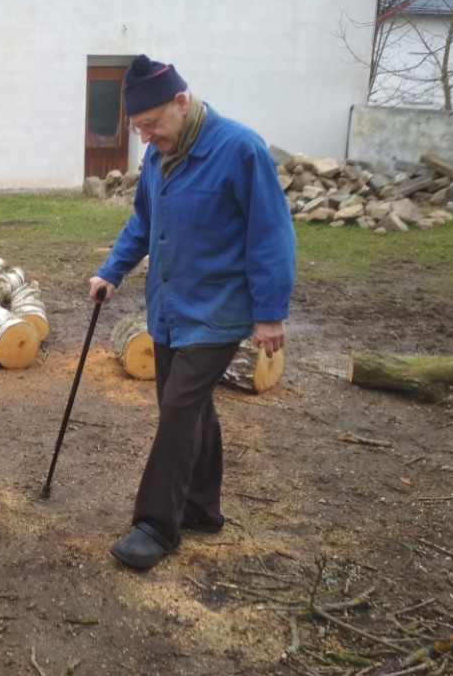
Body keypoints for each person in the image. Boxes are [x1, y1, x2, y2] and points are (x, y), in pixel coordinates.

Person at [89, 54, 296, 570]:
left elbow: (271, 233)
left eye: (152, 125)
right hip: (169, 308)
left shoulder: (239, 150)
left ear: (181, 103)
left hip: (218, 309)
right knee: (190, 406)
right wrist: (111, 271)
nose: (145, 138)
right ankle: (203, 507)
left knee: (180, 407)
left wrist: (270, 311)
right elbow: (142, 222)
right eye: (138, 129)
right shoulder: (159, 159)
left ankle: (157, 525)